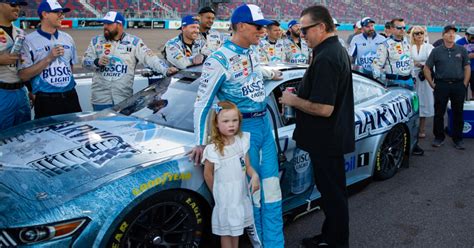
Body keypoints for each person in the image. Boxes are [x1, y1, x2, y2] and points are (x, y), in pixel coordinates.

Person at [189, 4, 284, 247]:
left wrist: (270, 72)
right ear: (241, 26)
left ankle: (275, 244)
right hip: (243, 131)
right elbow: (202, 103)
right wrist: (200, 142)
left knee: (272, 191)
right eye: (258, 27)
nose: (262, 31)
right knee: (255, 196)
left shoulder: (251, 50)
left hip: (264, 126)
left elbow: (250, 73)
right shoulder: (217, 60)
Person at [280, 5, 354, 248]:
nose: (302, 36)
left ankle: (337, 243)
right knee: (332, 194)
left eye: (305, 31)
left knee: (333, 197)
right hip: (328, 137)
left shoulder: (328, 56)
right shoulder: (331, 49)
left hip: (326, 139)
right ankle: (329, 236)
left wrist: (293, 100)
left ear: (321, 27)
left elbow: (324, 108)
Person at [82, 11, 177, 111]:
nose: (105, 27)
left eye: (109, 24)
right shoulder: (96, 41)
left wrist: (166, 70)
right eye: (104, 24)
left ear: (119, 25)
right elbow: (85, 62)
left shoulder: (134, 42)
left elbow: (150, 58)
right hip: (100, 99)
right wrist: (96, 62)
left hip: (123, 99)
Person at [202, 101, 260, 248]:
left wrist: (254, 176)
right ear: (216, 123)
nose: (231, 125)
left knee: (236, 231)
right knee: (227, 234)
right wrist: (218, 194)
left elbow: (247, 166)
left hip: (240, 195)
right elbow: (208, 174)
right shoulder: (213, 148)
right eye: (226, 121)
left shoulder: (241, 141)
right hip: (225, 199)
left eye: (235, 120)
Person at [18, 0, 82, 119]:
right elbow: (23, 75)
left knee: (76, 133)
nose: (62, 16)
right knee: (48, 136)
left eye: (62, 13)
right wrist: (48, 58)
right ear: (45, 14)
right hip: (46, 100)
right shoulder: (28, 41)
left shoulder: (68, 38)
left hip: (70, 96)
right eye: (57, 13)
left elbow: (70, 66)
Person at [424, 25, 471, 150]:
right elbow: (427, 68)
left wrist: (465, 83)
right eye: (449, 33)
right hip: (441, 85)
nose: (451, 35)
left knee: (458, 112)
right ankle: (439, 137)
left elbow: (467, 67)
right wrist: (431, 84)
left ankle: (458, 138)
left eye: (453, 33)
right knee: (439, 113)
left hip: (458, 85)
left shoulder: (461, 50)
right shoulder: (436, 51)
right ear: (443, 35)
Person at [0, 0, 30, 130]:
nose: (17, 8)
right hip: (2, 92)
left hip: (22, 92)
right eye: (13, 4)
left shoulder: (21, 33)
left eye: (19, 5)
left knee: (24, 135)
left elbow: (26, 64)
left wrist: (31, 89)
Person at [410, 25, 434, 138]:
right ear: (413, 36)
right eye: (417, 33)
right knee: (413, 102)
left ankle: (422, 128)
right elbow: (407, 61)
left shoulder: (429, 47)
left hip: (425, 78)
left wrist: (422, 64)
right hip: (412, 78)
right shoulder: (409, 47)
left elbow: (432, 61)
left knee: (423, 101)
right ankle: (412, 128)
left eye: (421, 33)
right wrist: (414, 63)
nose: (419, 35)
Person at [456, 26, 474, 100]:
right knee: (462, 87)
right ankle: (462, 101)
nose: (473, 39)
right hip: (463, 69)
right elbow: (455, 55)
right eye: (472, 37)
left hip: (473, 69)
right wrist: (466, 56)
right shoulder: (459, 42)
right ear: (467, 35)